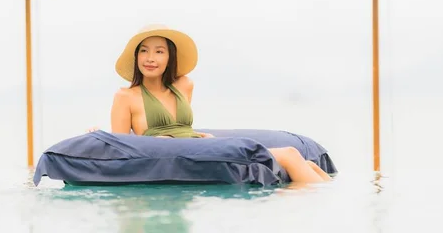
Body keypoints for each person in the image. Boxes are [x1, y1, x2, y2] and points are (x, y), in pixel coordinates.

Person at [95, 24, 331, 184]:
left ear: (169, 58)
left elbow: (182, 127)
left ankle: (320, 199)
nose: (150, 58)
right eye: (144, 51)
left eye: (159, 52)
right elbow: (122, 148)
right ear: (136, 57)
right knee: (289, 154)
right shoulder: (125, 97)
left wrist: (200, 137)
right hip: (176, 155)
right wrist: (99, 136)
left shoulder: (184, 85)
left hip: (201, 145)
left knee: (305, 163)